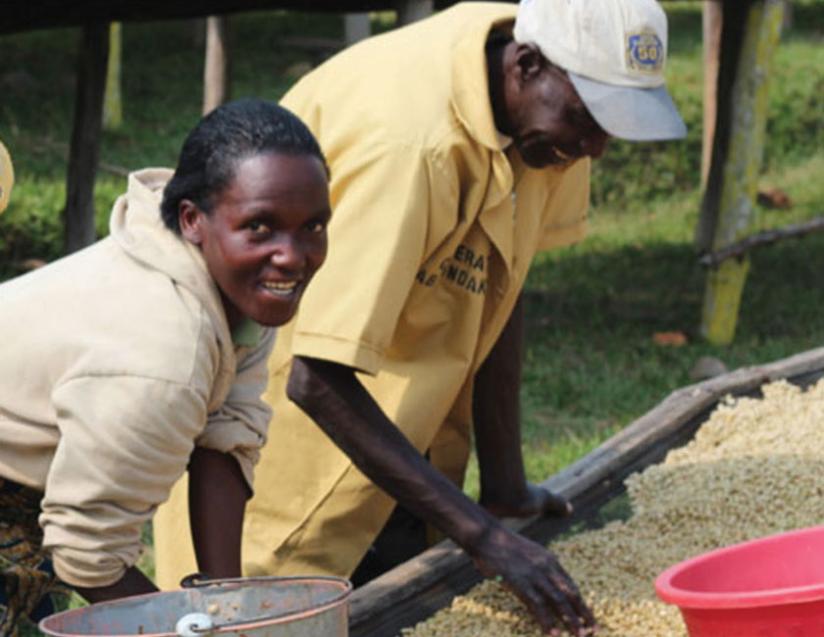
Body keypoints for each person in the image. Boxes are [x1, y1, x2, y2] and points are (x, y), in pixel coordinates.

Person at [154, 0, 687, 634]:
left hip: (405, 433)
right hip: (279, 447)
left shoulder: (549, 124)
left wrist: (505, 490)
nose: (593, 147)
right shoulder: (411, 147)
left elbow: (503, 283)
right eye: (587, 119)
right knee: (249, 613)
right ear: (526, 66)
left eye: (611, 126)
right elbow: (315, 377)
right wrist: (484, 537)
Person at [0, 98, 330, 635]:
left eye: (313, 226)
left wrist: (229, 613)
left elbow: (226, 435)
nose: (292, 256)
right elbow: (88, 552)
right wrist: (191, 629)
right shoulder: (163, 357)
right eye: (260, 227)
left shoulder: (238, 290)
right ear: (192, 219)